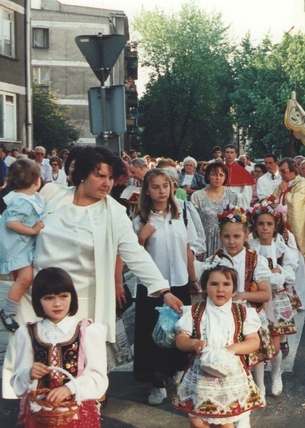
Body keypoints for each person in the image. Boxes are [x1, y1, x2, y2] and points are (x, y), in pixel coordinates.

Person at [2, 146, 185, 401]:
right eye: (100, 175)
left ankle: (78, 426)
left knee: (78, 374)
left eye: (111, 177)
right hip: (39, 298)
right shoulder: (51, 194)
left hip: (83, 304)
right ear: (83, 174)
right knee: (37, 366)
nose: (106, 183)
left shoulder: (114, 212)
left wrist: (163, 291)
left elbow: (135, 253)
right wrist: (15, 264)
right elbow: (14, 224)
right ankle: (36, 421)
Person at [10, 267, 107, 428]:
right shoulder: (28, 332)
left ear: (72, 297)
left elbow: (98, 377)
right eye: (48, 297)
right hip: (43, 413)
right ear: (38, 301)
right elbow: (17, 382)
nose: (57, 303)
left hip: (73, 414)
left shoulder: (86, 330)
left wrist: (70, 388)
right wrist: (28, 373)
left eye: (63, 296)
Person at [172, 256, 263, 428]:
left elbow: (254, 341)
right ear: (204, 288)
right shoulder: (194, 312)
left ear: (234, 288)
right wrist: (193, 344)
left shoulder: (243, 313)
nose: (220, 289)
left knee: (224, 422)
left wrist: (233, 349)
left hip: (229, 375)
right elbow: (180, 340)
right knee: (197, 421)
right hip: (200, 376)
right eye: (214, 284)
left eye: (226, 284)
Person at [132, 169, 205, 405]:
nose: (162, 191)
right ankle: (156, 382)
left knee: (179, 330)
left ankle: (176, 370)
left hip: (180, 282)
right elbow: (133, 257)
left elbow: (189, 248)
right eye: (155, 186)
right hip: (153, 287)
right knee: (154, 333)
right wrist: (141, 238)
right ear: (147, 190)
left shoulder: (182, 212)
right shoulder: (140, 219)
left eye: (166, 185)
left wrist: (193, 280)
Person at [215, 205, 273, 428]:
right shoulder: (215, 260)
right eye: (227, 236)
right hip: (223, 320)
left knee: (249, 362)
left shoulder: (255, 260)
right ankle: (232, 405)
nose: (232, 241)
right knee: (231, 366)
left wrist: (244, 295)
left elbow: (265, 294)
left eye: (237, 236)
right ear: (220, 237)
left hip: (247, 317)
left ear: (246, 236)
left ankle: (246, 411)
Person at [247, 198, 299, 400]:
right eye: (260, 224)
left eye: (269, 224)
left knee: (274, 345)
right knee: (258, 342)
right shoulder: (250, 246)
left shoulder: (283, 247)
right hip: (257, 300)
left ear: (276, 224)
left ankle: (276, 373)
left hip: (277, 300)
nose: (265, 228)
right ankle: (259, 384)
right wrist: (272, 274)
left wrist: (275, 275)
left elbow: (289, 275)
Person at [0, 160, 46, 332]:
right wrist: (33, 230)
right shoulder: (22, 201)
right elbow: (11, 222)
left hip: (21, 245)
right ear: (36, 180)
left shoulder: (27, 197)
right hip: (17, 246)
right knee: (25, 278)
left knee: (25, 278)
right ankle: (8, 311)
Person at [274, 157, 305, 284]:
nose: (281, 174)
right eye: (280, 171)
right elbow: (274, 200)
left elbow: (296, 203)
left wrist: (284, 191)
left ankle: (300, 275)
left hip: (298, 225)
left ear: (293, 171)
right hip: (281, 224)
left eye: (284, 171)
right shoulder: (283, 184)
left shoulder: (302, 184)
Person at [191, 162, 244, 257]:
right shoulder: (197, 196)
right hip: (204, 241)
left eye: (221, 175)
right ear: (207, 176)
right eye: (214, 174)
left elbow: (238, 221)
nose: (218, 178)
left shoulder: (232, 196)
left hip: (226, 241)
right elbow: (193, 224)